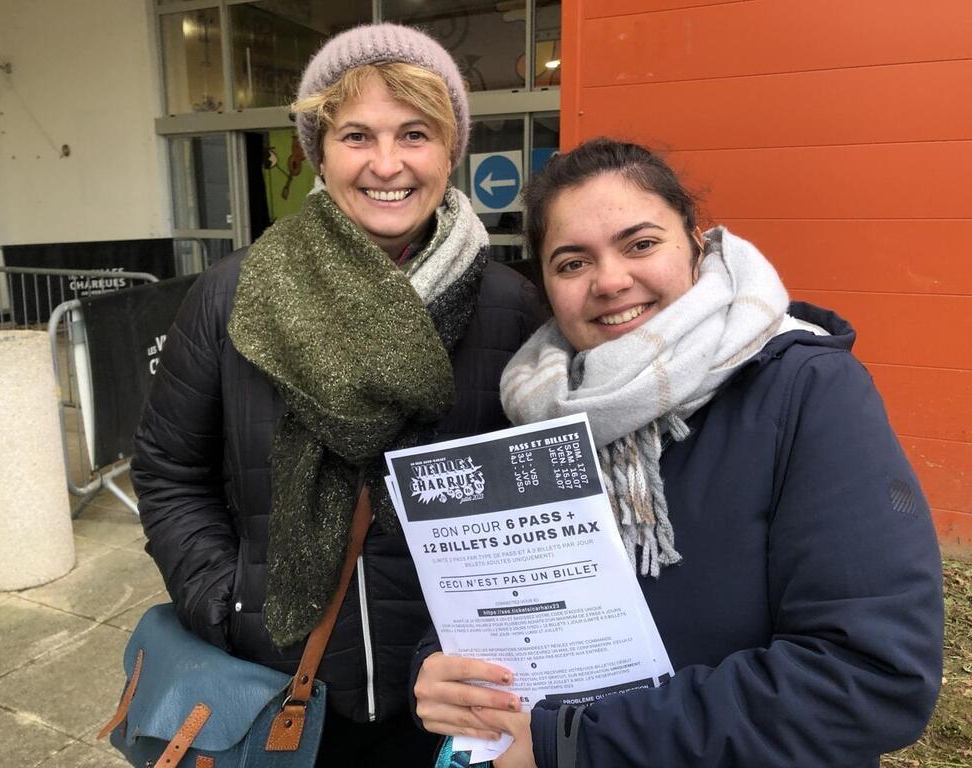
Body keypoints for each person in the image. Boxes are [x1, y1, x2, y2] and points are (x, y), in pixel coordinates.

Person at [413, 138, 943, 767]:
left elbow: (870, 676)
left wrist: (578, 742)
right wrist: (439, 666)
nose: (611, 281)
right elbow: (484, 599)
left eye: (641, 244)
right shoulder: (536, 407)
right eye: (572, 262)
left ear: (696, 240)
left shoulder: (804, 391)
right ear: (546, 285)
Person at [131, 23, 542, 767]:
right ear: (318, 151)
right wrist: (225, 600)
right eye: (357, 135)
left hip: (454, 685)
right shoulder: (236, 295)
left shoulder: (510, 304)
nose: (387, 164)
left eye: (415, 133)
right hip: (283, 676)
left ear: (451, 150)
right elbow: (168, 470)